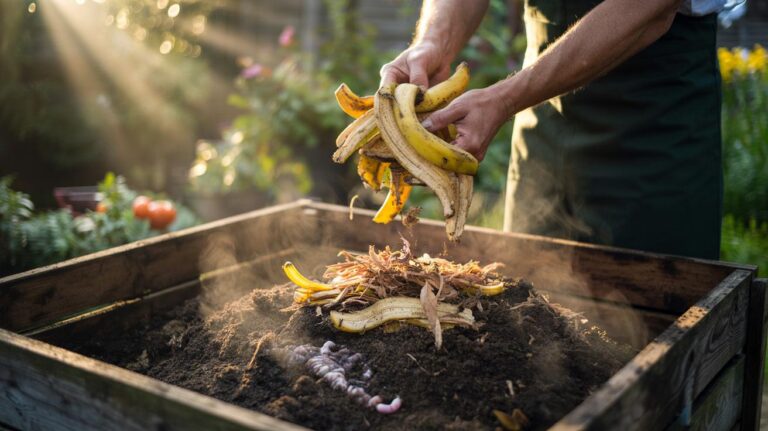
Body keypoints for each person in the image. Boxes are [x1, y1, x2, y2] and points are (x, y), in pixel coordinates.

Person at [380, 0, 725, 259]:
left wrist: (507, 97)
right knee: (524, 308)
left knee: (656, 318)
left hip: (652, 130)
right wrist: (434, 41)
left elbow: (650, 9)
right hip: (539, 122)